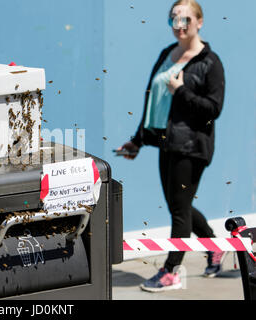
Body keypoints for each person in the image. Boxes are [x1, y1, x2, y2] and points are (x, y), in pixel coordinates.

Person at [118, 0, 225, 292]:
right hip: (166, 142)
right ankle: (215, 246)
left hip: (192, 146)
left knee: (178, 212)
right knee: (181, 206)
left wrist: (182, 91)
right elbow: (153, 99)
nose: (179, 26)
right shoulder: (168, 53)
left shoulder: (209, 62)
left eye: (185, 20)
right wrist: (139, 139)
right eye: (173, 20)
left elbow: (213, 108)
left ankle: (171, 271)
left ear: (199, 22)